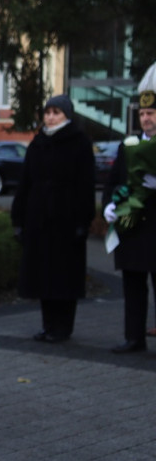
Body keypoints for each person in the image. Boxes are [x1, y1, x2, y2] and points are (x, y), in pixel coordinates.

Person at [10, 95, 94, 343]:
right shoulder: (38, 143)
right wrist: (19, 218)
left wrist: (83, 221)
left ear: (67, 115)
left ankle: (63, 327)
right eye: (48, 112)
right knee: (43, 276)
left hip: (66, 219)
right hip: (39, 219)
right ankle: (48, 325)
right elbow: (25, 182)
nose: (50, 117)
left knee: (64, 277)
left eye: (56, 112)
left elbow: (85, 185)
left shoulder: (78, 142)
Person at [102, 61, 156, 353]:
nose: (145, 118)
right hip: (133, 229)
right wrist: (109, 206)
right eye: (143, 113)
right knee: (133, 286)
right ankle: (134, 337)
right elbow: (112, 182)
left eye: (151, 113)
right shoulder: (128, 145)